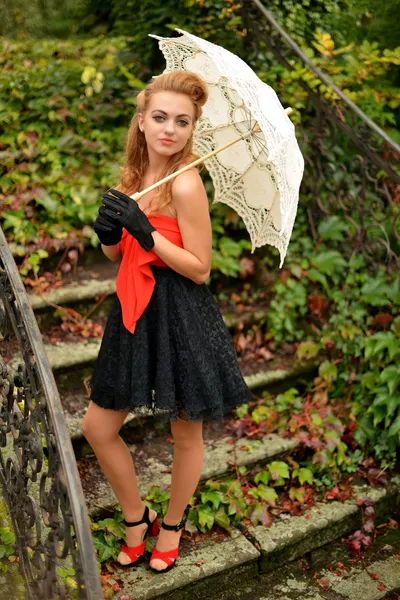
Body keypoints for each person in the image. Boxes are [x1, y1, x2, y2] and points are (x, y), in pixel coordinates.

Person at [82, 71, 253, 574]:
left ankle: (172, 525)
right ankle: (138, 518)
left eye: (183, 121)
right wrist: (108, 234)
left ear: (193, 128)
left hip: (179, 312)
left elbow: (200, 268)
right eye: (160, 117)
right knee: (97, 425)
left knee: (185, 431)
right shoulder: (131, 181)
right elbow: (118, 254)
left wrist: (148, 235)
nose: (170, 129)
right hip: (133, 311)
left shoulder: (185, 183)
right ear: (141, 121)